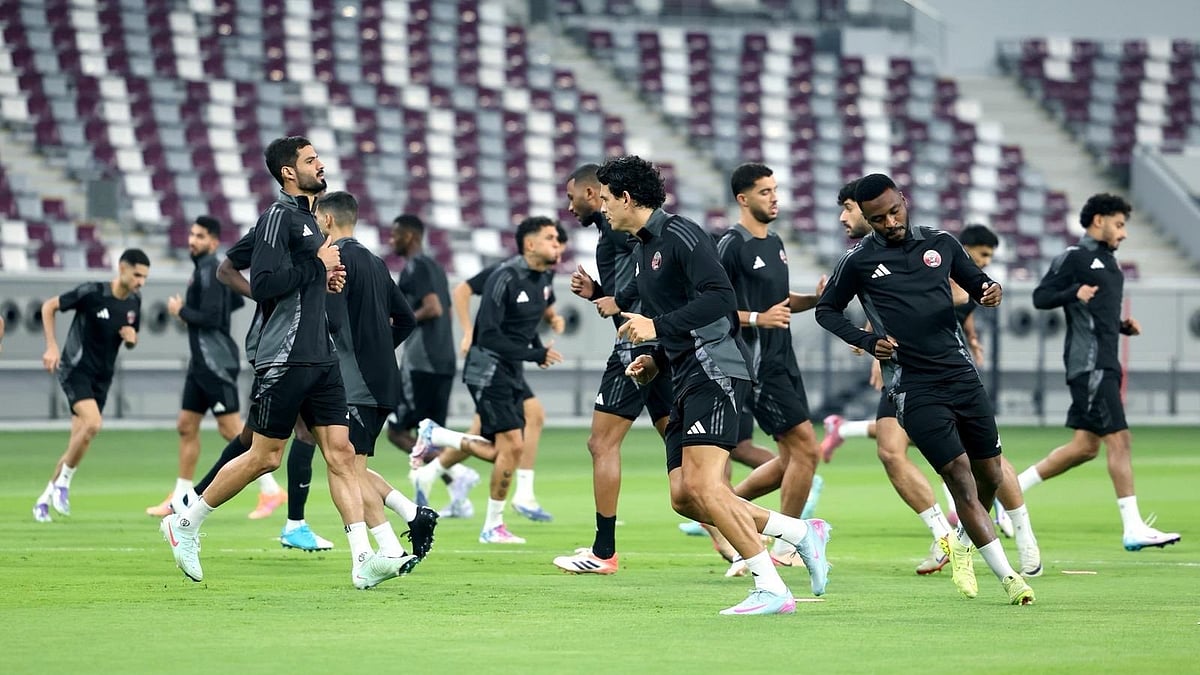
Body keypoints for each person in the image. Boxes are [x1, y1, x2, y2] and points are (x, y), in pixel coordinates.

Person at [160, 136, 409, 589]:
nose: (321, 164)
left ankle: (362, 560)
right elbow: (266, 280)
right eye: (311, 159)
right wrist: (314, 272)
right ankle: (186, 522)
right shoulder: (278, 217)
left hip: (321, 356)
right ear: (288, 172)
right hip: (287, 356)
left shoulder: (309, 221)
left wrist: (322, 280)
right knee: (265, 456)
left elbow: (237, 267)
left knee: (342, 454)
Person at [598, 155, 830, 615]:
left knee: (706, 487)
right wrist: (654, 357)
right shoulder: (643, 253)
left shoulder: (680, 232)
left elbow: (721, 301)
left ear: (626, 198)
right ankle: (802, 532)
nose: (602, 208)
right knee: (685, 498)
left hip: (717, 368)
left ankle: (772, 588)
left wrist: (656, 327)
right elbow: (676, 325)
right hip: (682, 375)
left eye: (606, 199)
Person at [815, 173, 1034, 605]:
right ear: (868, 219)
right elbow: (826, 311)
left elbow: (980, 283)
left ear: (904, 200)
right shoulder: (857, 261)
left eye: (895, 211)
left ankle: (964, 541)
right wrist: (865, 341)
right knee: (958, 475)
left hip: (962, 376)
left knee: (990, 473)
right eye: (878, 219)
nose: (890, 222)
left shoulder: (942, 244)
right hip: (912, 385)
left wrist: (992, 291)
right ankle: (1011, 579)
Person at [1019, 193, 1180, 552]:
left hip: (1104, 360)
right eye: (1119, 225)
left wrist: (1122, 326)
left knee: (1085, 447)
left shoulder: (1109, 262)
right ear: (1099, 221)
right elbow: (1040, 297)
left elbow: (1097, 314)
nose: (1123, 234)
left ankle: (1009, 491)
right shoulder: (1075, 258)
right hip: (1089, 363)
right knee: (1119, 440)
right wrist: (1074, 291)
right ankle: (1133, 528)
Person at [551, 162, 673, 574]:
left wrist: (616, 302)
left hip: (636, 346)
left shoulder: (622, 230)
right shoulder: (614, 232)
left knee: (601, 444)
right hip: (660, 344)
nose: (571, 207)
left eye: (574, 198)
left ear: (594, 195)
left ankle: (603, 552)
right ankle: (745, 541)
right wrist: (601, 295)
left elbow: (647, 275)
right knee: (681, 448)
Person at [413, 216, 565, 544]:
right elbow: (491, 337)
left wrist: (540, 344)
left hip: (510, 369)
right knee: (511, 447)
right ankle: (493, 524)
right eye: (551, 238)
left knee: (506, 447)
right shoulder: (504, 277)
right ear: (530, 244)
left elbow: (524, 325)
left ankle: (437, 436)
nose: (557, 244)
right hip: (488, 368)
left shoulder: (544, 279)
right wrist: (534, 355)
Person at [712, 163, 827, 571]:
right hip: (755, 362)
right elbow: (712, 309)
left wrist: (813, 300)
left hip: (784, 356)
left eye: (776, 190)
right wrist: (758, 319)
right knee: (805, 451)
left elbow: (779, 302)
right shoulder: (729, 245)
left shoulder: (775, 241)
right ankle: (788, 543)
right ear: (743, 199)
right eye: (765, 192)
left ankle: (723, 511)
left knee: (792, 458)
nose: (774, 197)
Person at [316, 191, 438, 567]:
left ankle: (389, 549)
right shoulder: (375, 261)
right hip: (383, 377)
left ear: (327, 221)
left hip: (355, 381)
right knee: (354, 466)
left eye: (316, 219)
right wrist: (382, 348)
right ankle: (411, 519)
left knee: (347, 471)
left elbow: (331, 321)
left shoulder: (337, 262)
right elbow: (407, 319)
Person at [144, 216, 257, 519]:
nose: (192, 240)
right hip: (200, 362)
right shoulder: (205, 271)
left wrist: (181, 311)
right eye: (191, 234)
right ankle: (180, 493)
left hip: (215, 360)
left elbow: (212, 317)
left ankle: (271, 489)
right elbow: (231, 305)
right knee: (186, 425)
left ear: (214, 241)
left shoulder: (210, 270)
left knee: (234, 430)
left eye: (200, 236)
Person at [34, 248, 151, 522]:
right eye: (137, 275)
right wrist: (51, 347)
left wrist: (132, 340)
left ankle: (43, 499)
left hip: (102, 377)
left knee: (81, 437)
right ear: (122, 268)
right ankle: (63, 484)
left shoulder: (135, 303)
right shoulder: (92, 292)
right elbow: (48, 306)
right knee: (94, 423)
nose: (140, 282)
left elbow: (130, 337)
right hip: (76, 369)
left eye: (145, 277)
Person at [385, 214, 481, 519]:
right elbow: (447, 311)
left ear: (410, 237)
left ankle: (458, 472)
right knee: (432, 432)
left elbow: (433, 307)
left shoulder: (416, 267)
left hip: (421, 362)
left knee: (398, 431)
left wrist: (398, 320)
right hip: (441, 359)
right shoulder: (436, 267)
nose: (391, 240)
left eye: (395, 235)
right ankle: (458, 493)